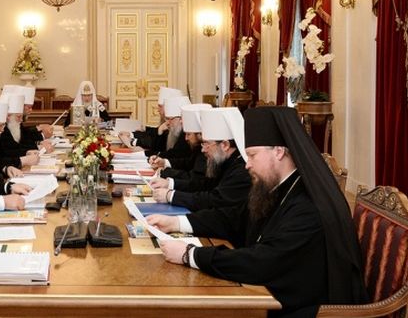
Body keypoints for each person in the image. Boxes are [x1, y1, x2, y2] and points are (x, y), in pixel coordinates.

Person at [147, 106, 367, 317]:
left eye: (252, 155)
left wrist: (190, 255)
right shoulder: (277, 187)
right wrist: (176, 223)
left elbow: (263, 262)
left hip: (300, 310)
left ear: (278, 152)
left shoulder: (308, 206)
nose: (247, 164)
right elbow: (234, 219)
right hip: (268, 294)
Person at [118, 86, 182, 151]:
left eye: (160, 106)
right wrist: (132, 134)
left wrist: (133, 141)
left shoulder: (177, 127)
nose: (158, 110)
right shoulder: (168, 122)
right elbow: (155, 133)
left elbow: (154, 142)